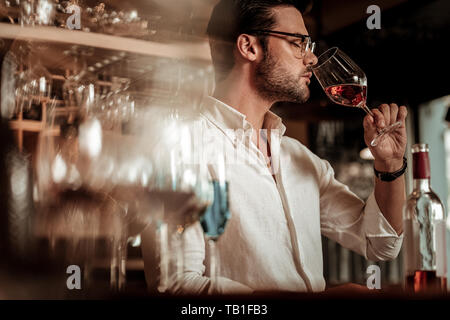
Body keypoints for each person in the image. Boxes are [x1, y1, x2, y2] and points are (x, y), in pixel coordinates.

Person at [142, 0, 408, 294]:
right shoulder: (181, 151)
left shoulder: (300, 158)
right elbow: (175, 285)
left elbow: (380, 243)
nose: (312, 60)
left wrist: (390, 167)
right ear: (249, 47)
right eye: (298, 43)